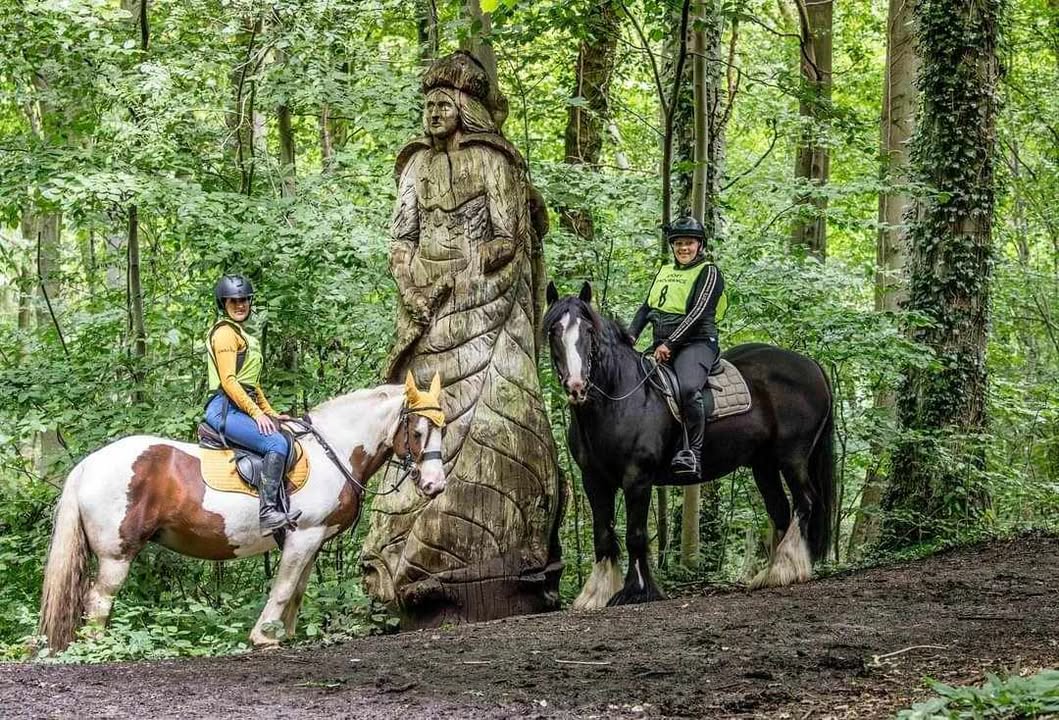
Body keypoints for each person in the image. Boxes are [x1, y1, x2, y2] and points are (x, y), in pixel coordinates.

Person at [628, 216, 727, 479]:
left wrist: (670, 344)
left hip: (697, 343)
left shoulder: (709, 272)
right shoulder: (665, 271)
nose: (684, 248)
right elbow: (647, 307)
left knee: (687, 388)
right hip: (662, 343)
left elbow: (697, 314)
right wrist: (630, 335)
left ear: (699, 245)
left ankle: (692, 453)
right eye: (679, 243)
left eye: (689, 243)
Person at [204, 274, 300, 534]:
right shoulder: (225, 334)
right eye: (233, 300)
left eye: (244, 299)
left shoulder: (244, 336)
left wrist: (271, 414)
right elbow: (229, 382)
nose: (240, 304)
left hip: (240, 403)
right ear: (223, 303)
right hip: (225, 408)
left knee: (285, 433)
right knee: (275, 443)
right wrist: (257, 414)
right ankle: (268, 512)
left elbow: (252, 385)